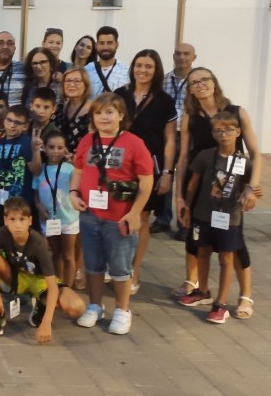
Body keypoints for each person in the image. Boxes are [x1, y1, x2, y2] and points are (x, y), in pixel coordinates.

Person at [173, 67, 262, 320]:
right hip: (201, 185)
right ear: (189, 90)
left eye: (204, 79)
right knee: (196, 240)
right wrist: (179, 196)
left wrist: (252, 187)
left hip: (231, 187)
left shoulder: (236, 112)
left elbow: (256, 153)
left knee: (234, 244)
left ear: (214, 82)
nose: (200, 84)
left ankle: (245, 295)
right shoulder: (190, 117)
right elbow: (183, 157)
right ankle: (200, 288)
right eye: (194, 82)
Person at [69, 93, 154, 335]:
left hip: (120, 217)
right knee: (93, 264)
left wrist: (135, 212)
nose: (103, 117)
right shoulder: (87, 141)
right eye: (98, 113)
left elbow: (146, 181)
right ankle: (95, 305)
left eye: (109, 112)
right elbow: (78, 171)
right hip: (90, 214)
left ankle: (122, 310)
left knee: (120, 267)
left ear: (121, 115)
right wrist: (73, 193)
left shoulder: (134, 143)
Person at [0, 197, 86, 342]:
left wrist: (47, 322)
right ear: (6, 221)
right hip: (17, 276)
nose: (17, 225)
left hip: (40, 280)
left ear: (30, 221)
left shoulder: (38, 242)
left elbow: (52, 285)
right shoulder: (2, 233)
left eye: (22, 219)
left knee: (77, 308)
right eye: (12, 219)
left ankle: (41, 304)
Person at [115, 49, 176, 295]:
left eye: (148, 66)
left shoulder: (165, 101)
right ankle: (117, 265)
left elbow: (170, 140)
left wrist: (168, 172)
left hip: (149, 168)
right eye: (139, 65)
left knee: (140, 218)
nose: (142, 70)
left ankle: (134, 270)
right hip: (120, 166)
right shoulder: (120, 95)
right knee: (117, 214)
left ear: (156, 70)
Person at [157, 42, 197, 236]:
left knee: (185, 178)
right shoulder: (164, 80)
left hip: (188, 134)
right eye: (178, 53)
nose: (182, 57)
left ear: (194, 57)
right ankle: (163, 219)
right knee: (165, 174)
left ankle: (184, 223)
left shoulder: (197, 80)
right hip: (168, 134)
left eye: (186, 54)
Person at [33, 131, 79, 287]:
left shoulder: (70, 168)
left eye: (60, 148)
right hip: (49, 219)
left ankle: (68, 288)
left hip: (69, 218)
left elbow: (79, 183)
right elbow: (35, 192)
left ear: (65, 149)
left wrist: (75, 164)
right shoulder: (40, 170)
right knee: (55, 254)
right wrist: (39, 206)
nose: (55, 151)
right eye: (51, 147)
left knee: (68, 256)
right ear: (44, 148)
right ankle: (59, 286)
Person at [0, 105, 42, 208]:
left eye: (18, 123)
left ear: (25, 126)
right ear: (4, 120)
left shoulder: (27, 142)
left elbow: (36, 171)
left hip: (21, 200)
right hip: (1, 197)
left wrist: (35, 149)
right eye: (9, 120)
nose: (12, 125)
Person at [55, 67, 93, 156]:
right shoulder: (59, 108)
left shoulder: (93, 112)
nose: (72, 84)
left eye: (77, 81)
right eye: (68, 81)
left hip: (80, 159)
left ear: (86, 85)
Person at [86, 26, 130, 98]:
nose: (105, 47)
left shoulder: (127, 71)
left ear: (117, 44)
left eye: (109, 43)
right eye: (101, 43)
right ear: (96, 45)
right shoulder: (86, 70)